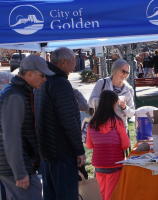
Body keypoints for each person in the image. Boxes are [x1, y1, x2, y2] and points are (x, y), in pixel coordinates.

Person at [0, 55, 54, 200]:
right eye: (42, 75)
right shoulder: (15, 96)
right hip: (15, 169)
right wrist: (20, 172)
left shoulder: (21, 92)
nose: (45, 79)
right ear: (29, 74)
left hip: (18, 166)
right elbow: (11, 137)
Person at [35, 47, 86, 200]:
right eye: (73, 60)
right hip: (61, 152)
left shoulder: (43, 80)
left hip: (47, 152)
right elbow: (69, 119)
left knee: (51, 195)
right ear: (63, 62)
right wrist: (79, 150)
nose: (75, 63)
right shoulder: (59, 83)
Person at [86, 90, 130, 200]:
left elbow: (89, 145)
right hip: (114, 163)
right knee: (112, 194)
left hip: (99, 164)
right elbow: (126, 144)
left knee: (102, 192)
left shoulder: (92, 123)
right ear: (113, 104)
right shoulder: (117, 122)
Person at [88, 59, 135, 129]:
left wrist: (124, 107)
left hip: (121, 129)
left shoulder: (129, 89)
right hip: (102, 126)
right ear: (115, 70)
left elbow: (131, 113)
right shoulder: (102, 83)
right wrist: (107, 101)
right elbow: (90, 102)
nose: (125, 74)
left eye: (127, 72)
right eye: (123, 71)